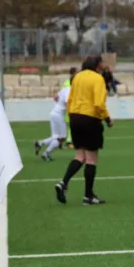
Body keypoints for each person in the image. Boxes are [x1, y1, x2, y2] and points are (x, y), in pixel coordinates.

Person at [55, 55, 112, 206]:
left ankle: (63, 182)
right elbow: (99, 103)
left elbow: (71, 99)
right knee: (92, 159)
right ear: (98, 65)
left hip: (74, 117)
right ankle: (88, 196)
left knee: (80, 155)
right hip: (90, 118)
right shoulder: (97, 78)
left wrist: (72, 115)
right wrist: (107, 118)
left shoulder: (77, 77)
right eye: (102, 63)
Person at [34, 77, 73, 161]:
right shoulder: (70, 90)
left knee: (55, 136)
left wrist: (59, 105)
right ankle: (46, 153)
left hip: (54, 112)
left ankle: (40, 143)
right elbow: (67, 103)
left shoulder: (65, 89)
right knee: (62, 137)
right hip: (59, 115)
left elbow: (55, 97)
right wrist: (71, 114)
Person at [63, 67, 77, 148]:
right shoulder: (70, 82)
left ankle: (70, 141)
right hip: (70, 105)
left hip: (70, 105)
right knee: (71, 125)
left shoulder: (66, 82)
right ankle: (69, 141)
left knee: (70, 125)